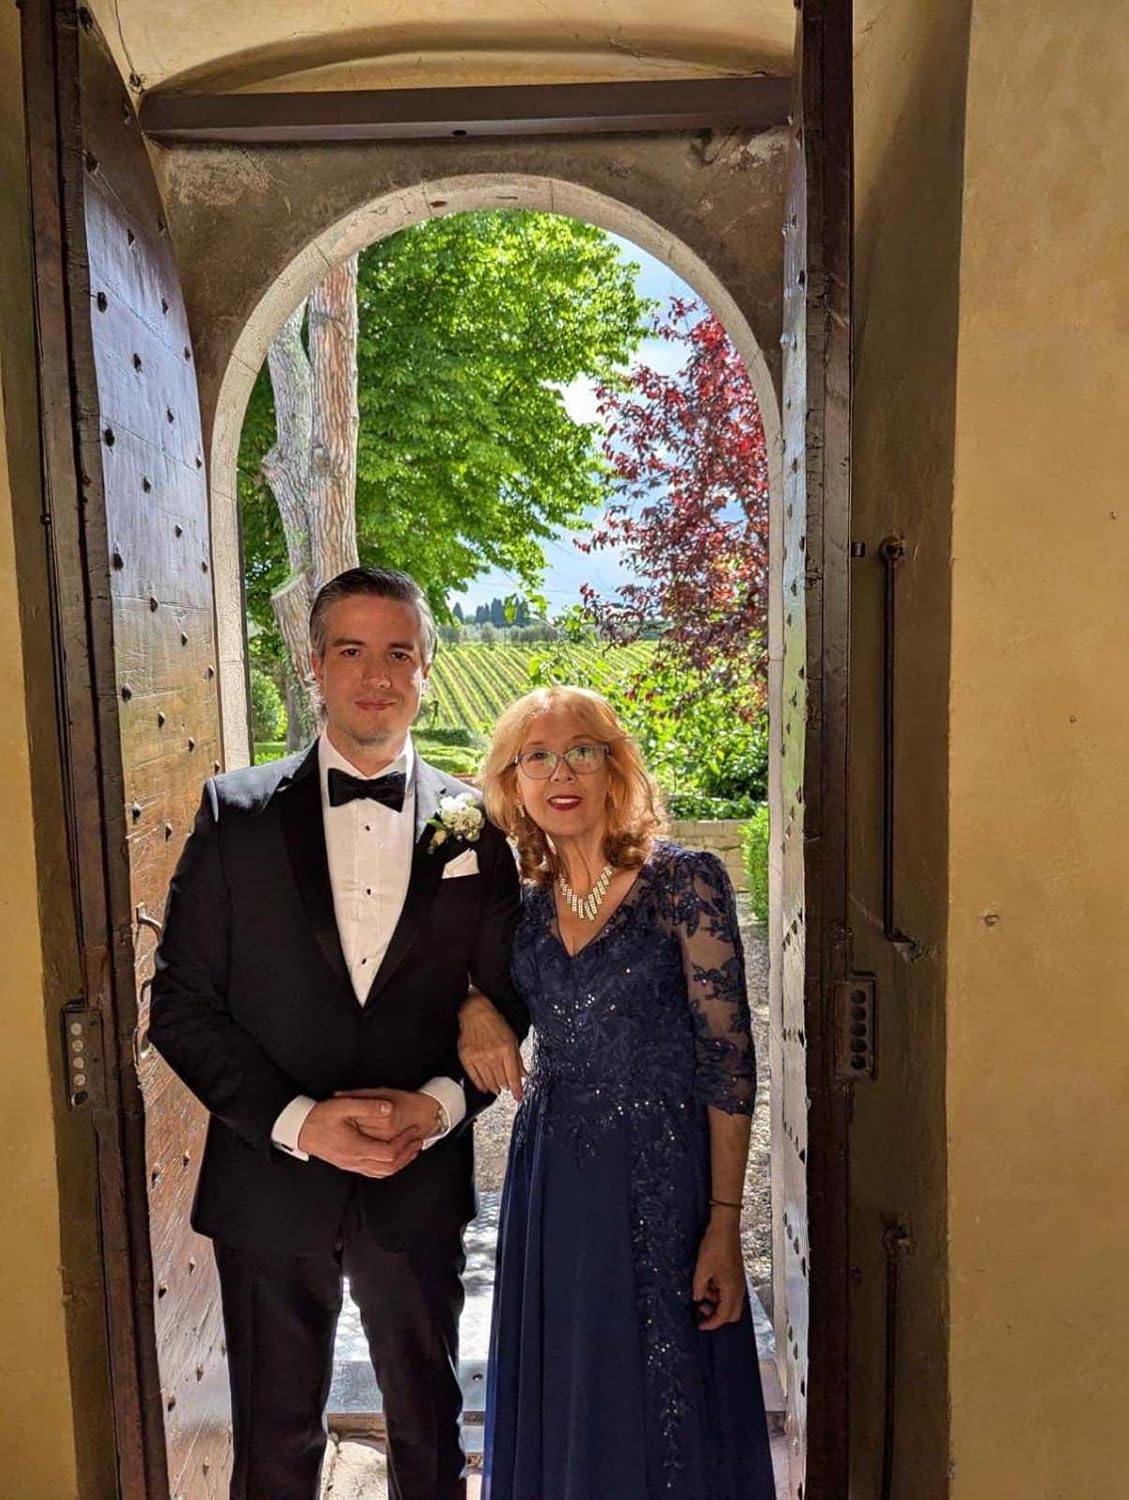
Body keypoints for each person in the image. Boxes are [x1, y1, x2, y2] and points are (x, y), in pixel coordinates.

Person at [149, 566, 526, 1500]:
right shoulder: (233, 813)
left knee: (429, 1429)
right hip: (268, 1181)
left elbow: (509, 1002)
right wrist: (298, 1122)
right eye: (351, 650)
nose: (376, 675)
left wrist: (438, 1107)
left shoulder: (475, 828)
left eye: (399, 653)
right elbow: (181, 1006)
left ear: (427, 669)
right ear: (313, 664)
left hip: (417, 1176)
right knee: (274, 1441)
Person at [466, 684, 776, 1500]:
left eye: (581, 751)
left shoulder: (684, 883)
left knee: (665, 1396)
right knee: (568, 1388)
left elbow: (728, 1062)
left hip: (663, 1181)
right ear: (512, 784)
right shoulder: (519, 905)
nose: (560, 773)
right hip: (552, 1182)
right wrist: (470, 1004)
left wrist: (722, 1224)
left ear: (615, 767)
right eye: (536, 757)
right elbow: (441, 973)